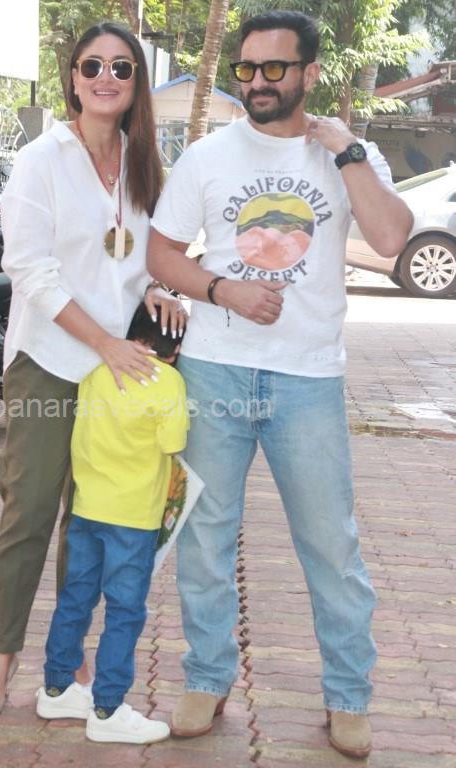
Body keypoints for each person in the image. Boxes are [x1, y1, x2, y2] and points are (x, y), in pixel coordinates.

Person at [147, 10, 413, 760]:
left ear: (309, 73)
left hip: (309, 378)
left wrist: (348, 152)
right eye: (247, 69)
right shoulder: (207, 156)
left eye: (274, 69)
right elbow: (161, 254)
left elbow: (392, 239)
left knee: (330, 545)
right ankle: (207, 678)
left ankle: (348, 696)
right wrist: (222, 289)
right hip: (215, 369)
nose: (258, 82)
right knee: (203, 535)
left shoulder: (348, 154)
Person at [0, 22, 185, 722]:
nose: (106, 78)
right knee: (30, 510)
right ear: (72, 77)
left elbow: (140, 256)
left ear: (136, 82)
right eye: (93, 65)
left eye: (121, 67)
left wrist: (156, 289)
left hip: (115, 371)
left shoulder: (144, 159)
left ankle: (67, 664)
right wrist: (104, 341)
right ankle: (0, 659)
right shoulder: (41, 158)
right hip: (51, 360)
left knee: (91, 518)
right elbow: (28, 269)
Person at [35, 301, 188, 744]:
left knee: (75, 598)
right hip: (134, 518)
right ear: (177, 350)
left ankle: (57, 688)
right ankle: (107, 708)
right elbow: (173, 442)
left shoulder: (96, 371)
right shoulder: (169, 381)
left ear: (131, 334)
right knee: (124, 611)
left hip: (87, 509)